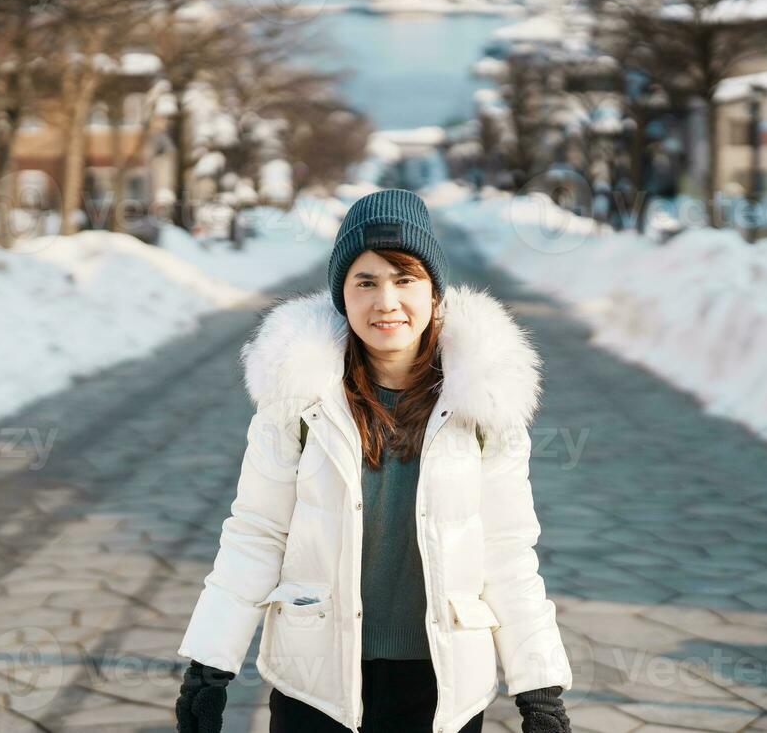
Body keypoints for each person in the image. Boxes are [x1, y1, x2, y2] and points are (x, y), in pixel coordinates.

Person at [175, 189, 573, 733]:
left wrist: (539, 688)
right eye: (366, 282)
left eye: (405, 279)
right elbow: (256, 532)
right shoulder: (298, 401)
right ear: (342, 294)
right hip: (316, 682)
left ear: (434, 293)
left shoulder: (483, 405)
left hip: (442, 686)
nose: (386, 301)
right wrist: (208, 667)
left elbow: (507, 551)